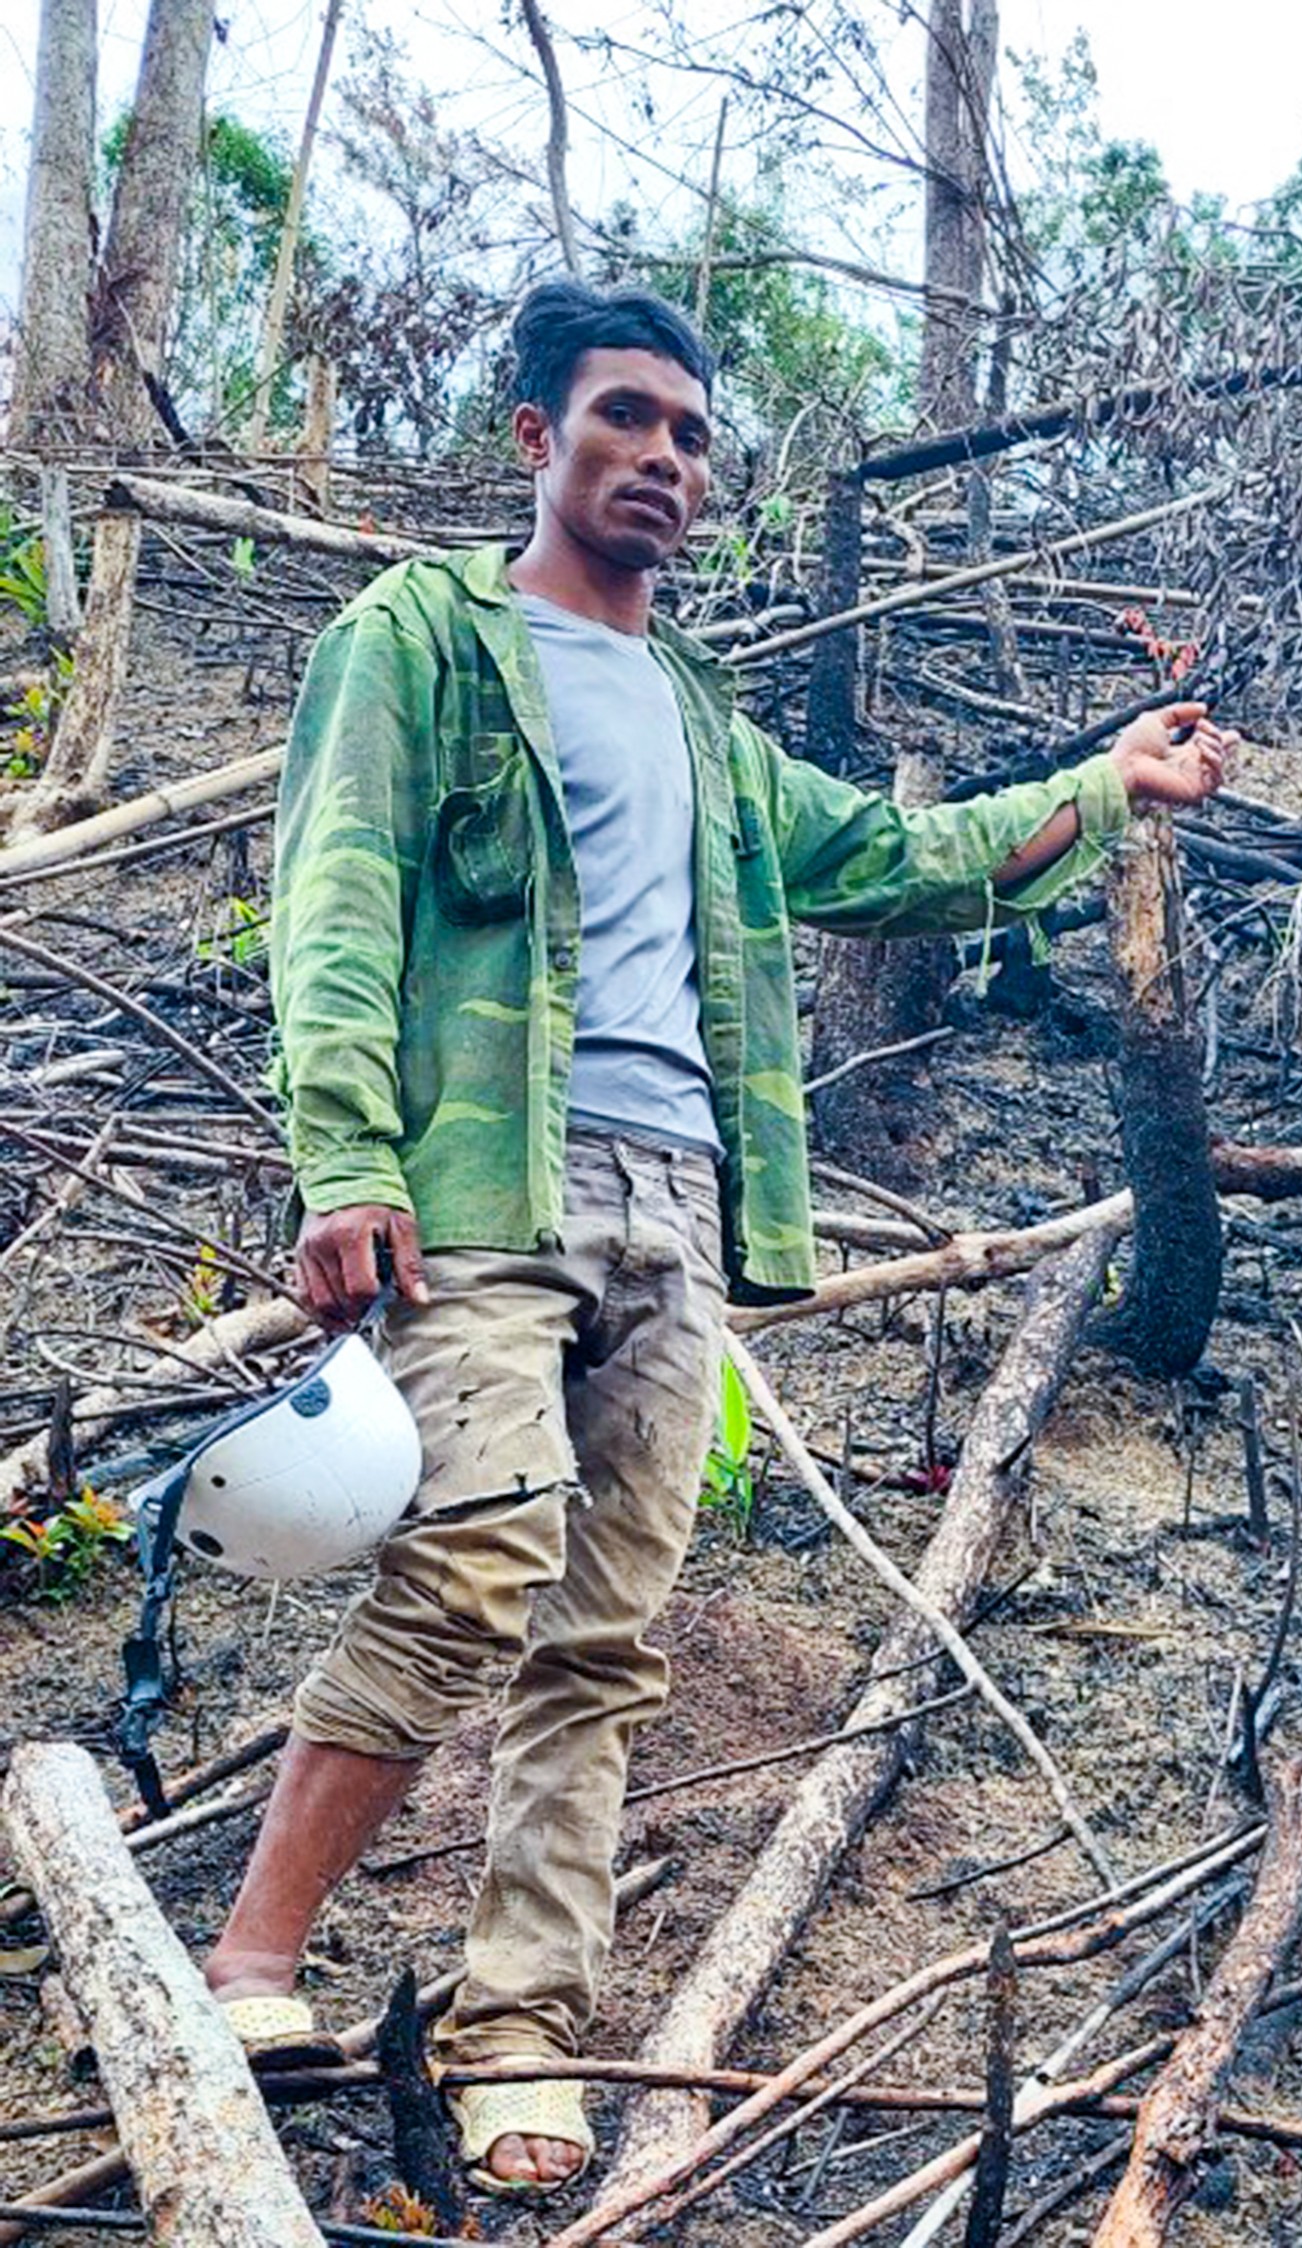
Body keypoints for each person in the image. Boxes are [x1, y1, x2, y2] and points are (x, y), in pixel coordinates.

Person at [201, 278, 1234, 2197]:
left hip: (683, 1201)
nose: (663, 460)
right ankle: (251, 1960)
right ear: (537, 437)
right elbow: (334, 898)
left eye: (690, 435)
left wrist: (1109, 785)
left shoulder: (698, 713)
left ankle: (524, 2030)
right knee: (475, 1556)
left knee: (601, 1638)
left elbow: (892, 859)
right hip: (484, 1182)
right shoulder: (420, 642)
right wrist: (343, 1158)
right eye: (624, 420)